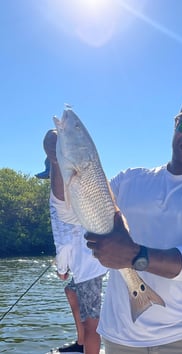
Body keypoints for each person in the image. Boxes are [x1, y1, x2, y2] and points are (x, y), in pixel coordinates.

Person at [85, 90, 182, 354]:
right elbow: (76, 212)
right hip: (120, 337)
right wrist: (58, 165)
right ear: (175, 125)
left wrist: (136, 256)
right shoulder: (129, 179)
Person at [39, 129, 107, 354]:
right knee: (71, 291)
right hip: (86, 262)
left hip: (89, 265)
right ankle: (80, 344)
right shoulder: (70, 196)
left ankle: (88, 347)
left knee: (92, 323)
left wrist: (61, 268)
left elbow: (63, 240)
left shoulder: (59, 198)